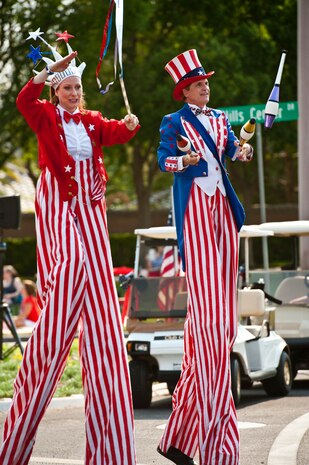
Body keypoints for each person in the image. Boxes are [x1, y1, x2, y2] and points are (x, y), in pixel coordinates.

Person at [0, 34, 140, 465]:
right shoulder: (44, 115)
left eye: (77, 88)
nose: (75, 94)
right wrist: (48, 69)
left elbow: (113, 134)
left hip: (91, 204)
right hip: (59, 198)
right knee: (74, 261)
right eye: (67, 88)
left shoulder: (93, 119)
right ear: (56, 91)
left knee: (98, 289)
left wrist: (130, 126)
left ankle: (110, 453)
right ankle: (63, 289)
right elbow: (24, 99)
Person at [156, 49, 253, 465]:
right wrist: (185, 160)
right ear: (185, 90)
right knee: (212, 323)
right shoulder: (173, 122)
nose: (206, 87)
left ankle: (177, 440)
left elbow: (233, 151)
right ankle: (212, 446)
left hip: (223, 210)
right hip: (195, 205)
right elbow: (165, 160)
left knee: (216, 324)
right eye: (199, 84)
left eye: (207, 82)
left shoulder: (219, 119)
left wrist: (243, 151)